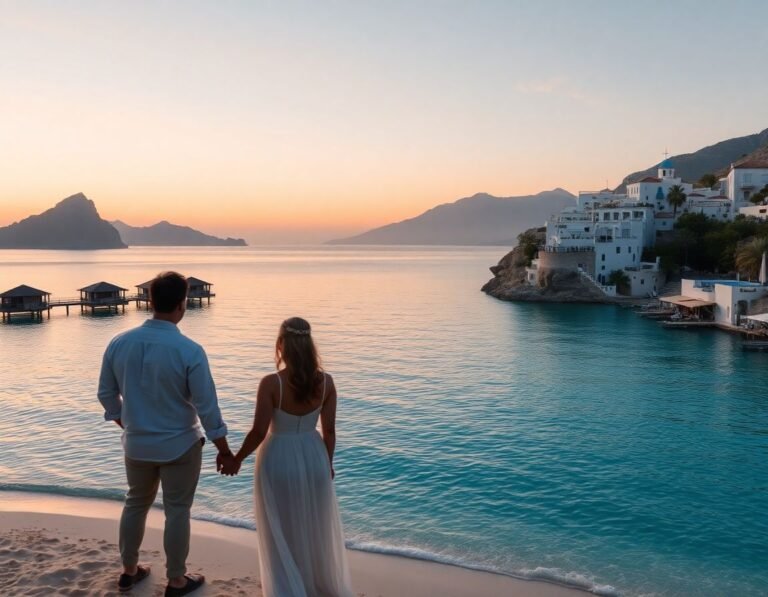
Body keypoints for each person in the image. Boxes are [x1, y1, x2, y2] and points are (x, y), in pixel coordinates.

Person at [97, 271, 237, 596]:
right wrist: (224, 449)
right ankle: (176, 579)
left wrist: (126, 422)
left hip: (136, 444)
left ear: (149, 300)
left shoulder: (118, 343)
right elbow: (207, 407)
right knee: (177, 511)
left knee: (135, 503)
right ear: (181, 304)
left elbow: (106, 394)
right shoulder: (189, 350)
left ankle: (129, 571)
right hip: (179, 445)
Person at [229, 317, 354, 597]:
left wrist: (236, 458)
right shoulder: (327, 382)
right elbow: (330, 431)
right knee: (312, 526)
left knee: (280, 528)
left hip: (279, 458)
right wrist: (328, 463)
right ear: (309, 345)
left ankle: (287, 588)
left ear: (281, 345)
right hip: (314, 456)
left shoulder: (272, 383)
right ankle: (315, 584)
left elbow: (258, 432)